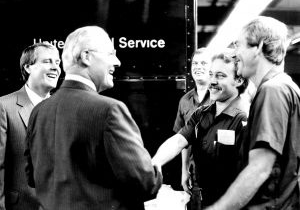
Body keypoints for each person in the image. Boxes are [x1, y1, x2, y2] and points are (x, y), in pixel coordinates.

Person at [25, 26, 162, 210]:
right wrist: (155, 168)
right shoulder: (110, 110)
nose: (117, 62)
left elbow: (32, 178)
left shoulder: (39, 111)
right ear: (86, 56)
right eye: (110, 54)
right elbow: (145, 183)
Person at [205, 16, 300, 210]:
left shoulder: (273, 90)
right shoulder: (284, 86)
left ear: (258, 47)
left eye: (238, 45)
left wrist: (217, 209)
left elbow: (259, 168)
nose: (234, 53)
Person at [152, 49, 249, 208]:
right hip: (204, 198)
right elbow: (178, 141)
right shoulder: (201, 114)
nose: (212, 81)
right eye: (211, 74)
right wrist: (156, 162)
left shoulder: (244, 118)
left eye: (220, 75)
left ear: (238, 80)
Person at [0, 42, 61, 210]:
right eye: (48, 61)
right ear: (28, 67)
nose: (56, 68)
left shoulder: (65, 107)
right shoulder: (4, 106)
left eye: (58, 62)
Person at [172, 48, 211, 209]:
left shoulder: (221, 97)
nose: (198, 67)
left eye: (203, 63)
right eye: (195, 63)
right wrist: (184, 170)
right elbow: (183, 140)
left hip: (218, 172)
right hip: (195, 174)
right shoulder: (185, 101)